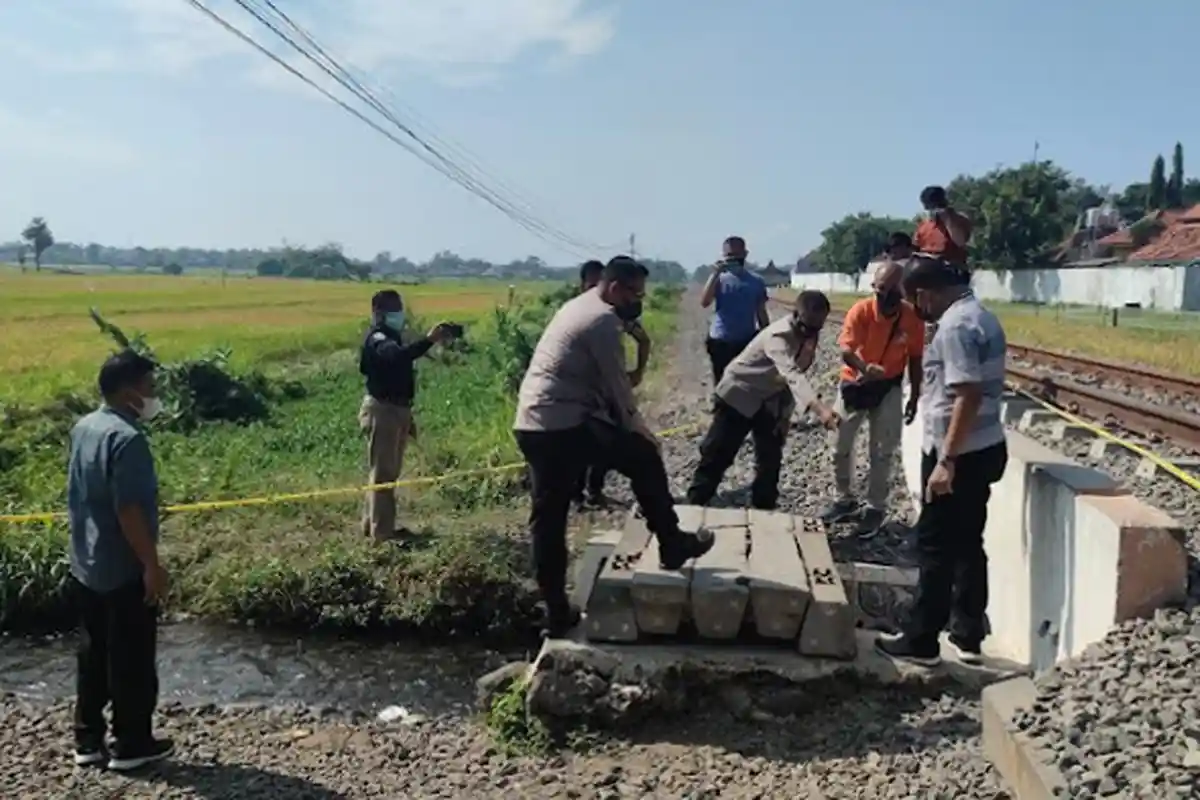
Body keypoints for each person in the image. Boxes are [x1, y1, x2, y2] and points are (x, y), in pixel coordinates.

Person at [514, 255, 714, 637]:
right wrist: (641, 430)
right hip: (560, 425)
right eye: (634, 294)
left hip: (536, 422)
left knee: (549, 519)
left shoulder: (581, 304)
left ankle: (556, 613)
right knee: (643, 456)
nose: (637, 301)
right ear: (615, 288)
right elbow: (618, 390)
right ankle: (671, 543)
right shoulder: (602, 320)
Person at [875, 257, 1008, 667]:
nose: (918, 312)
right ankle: (968, 636)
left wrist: (946, 461)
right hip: (986, 446)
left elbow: (965, 395)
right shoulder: (983, 316)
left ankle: (922, 641)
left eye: (916, 302)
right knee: (969, 543)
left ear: (924, 294)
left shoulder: (952, 328)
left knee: (934, 547)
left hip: (958, 455)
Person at [67, 350, 174, 771]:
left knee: (93, 653)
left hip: (86, 561)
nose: (154, 396)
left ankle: (88, 739)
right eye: (150, 388)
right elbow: (129, 509)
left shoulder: (84, 427)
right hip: (122, 564)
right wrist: (151, 565)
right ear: (129, 392)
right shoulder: (127, 440)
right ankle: (131, 743)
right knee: (130, 656)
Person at [686, 290, 840, 510]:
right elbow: (792, 374)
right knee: (718, 454)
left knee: (770, 459)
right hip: (738, 395)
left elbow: (789, 382)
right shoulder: (778, 336)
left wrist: (785, 416)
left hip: (768, 399)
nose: (810, 332)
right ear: (796, 315)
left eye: (816, 328)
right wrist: (821, 409)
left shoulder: (809, 337)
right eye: (806, 327)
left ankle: (764, 513)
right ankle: (695, 505)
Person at [820, 259, 925, 536]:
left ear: (902, 291)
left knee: (882, 451)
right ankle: (844, 499)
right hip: (856, 383)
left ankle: (876, 507)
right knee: (839, 444)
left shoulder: (911, 317)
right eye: (880, 290)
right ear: (873, 288)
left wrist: (915, 396)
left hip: (889, 387)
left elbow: (915, 358)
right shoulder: (861, 311)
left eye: (892, 290)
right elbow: (846, 350)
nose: (885, 297)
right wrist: (865, 368)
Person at [359, 290, 459, 541]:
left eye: (400, 307)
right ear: (378, 312)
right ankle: (382, 534)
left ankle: (373, 526)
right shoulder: (379, 338)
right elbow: (397, 356)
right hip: (383, 410)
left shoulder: (393, 336)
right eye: (394, 309)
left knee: (386, 473)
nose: (399, 313)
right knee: (382, 475)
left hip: (397, 410)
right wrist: (429, 340)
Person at [574, 259, 653, 507]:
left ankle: (594, 491)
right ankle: (577, 495)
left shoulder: (616, 313)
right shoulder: (578, 312)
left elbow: (643, 340)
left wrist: (637, 372)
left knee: (608, 439)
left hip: (605, 387)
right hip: (578, 393)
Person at [700, 236, 770, 386]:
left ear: (745, 254)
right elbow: (704, 302)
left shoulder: (756, 281)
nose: (733, 259)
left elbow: (761, 312)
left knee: (745, 384)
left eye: (736, 255)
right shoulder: (718, 279)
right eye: (729, 256)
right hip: (720, 341)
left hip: (746, 341)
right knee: (721, 384)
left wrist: (768, 338)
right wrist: (714, 274)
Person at [914, 186, 972, 266]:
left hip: (951, 266)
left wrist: (947, 219)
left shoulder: (959, 220)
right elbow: (915, 247)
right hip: (926, 265)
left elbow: (960, 242)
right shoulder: (924, 225)